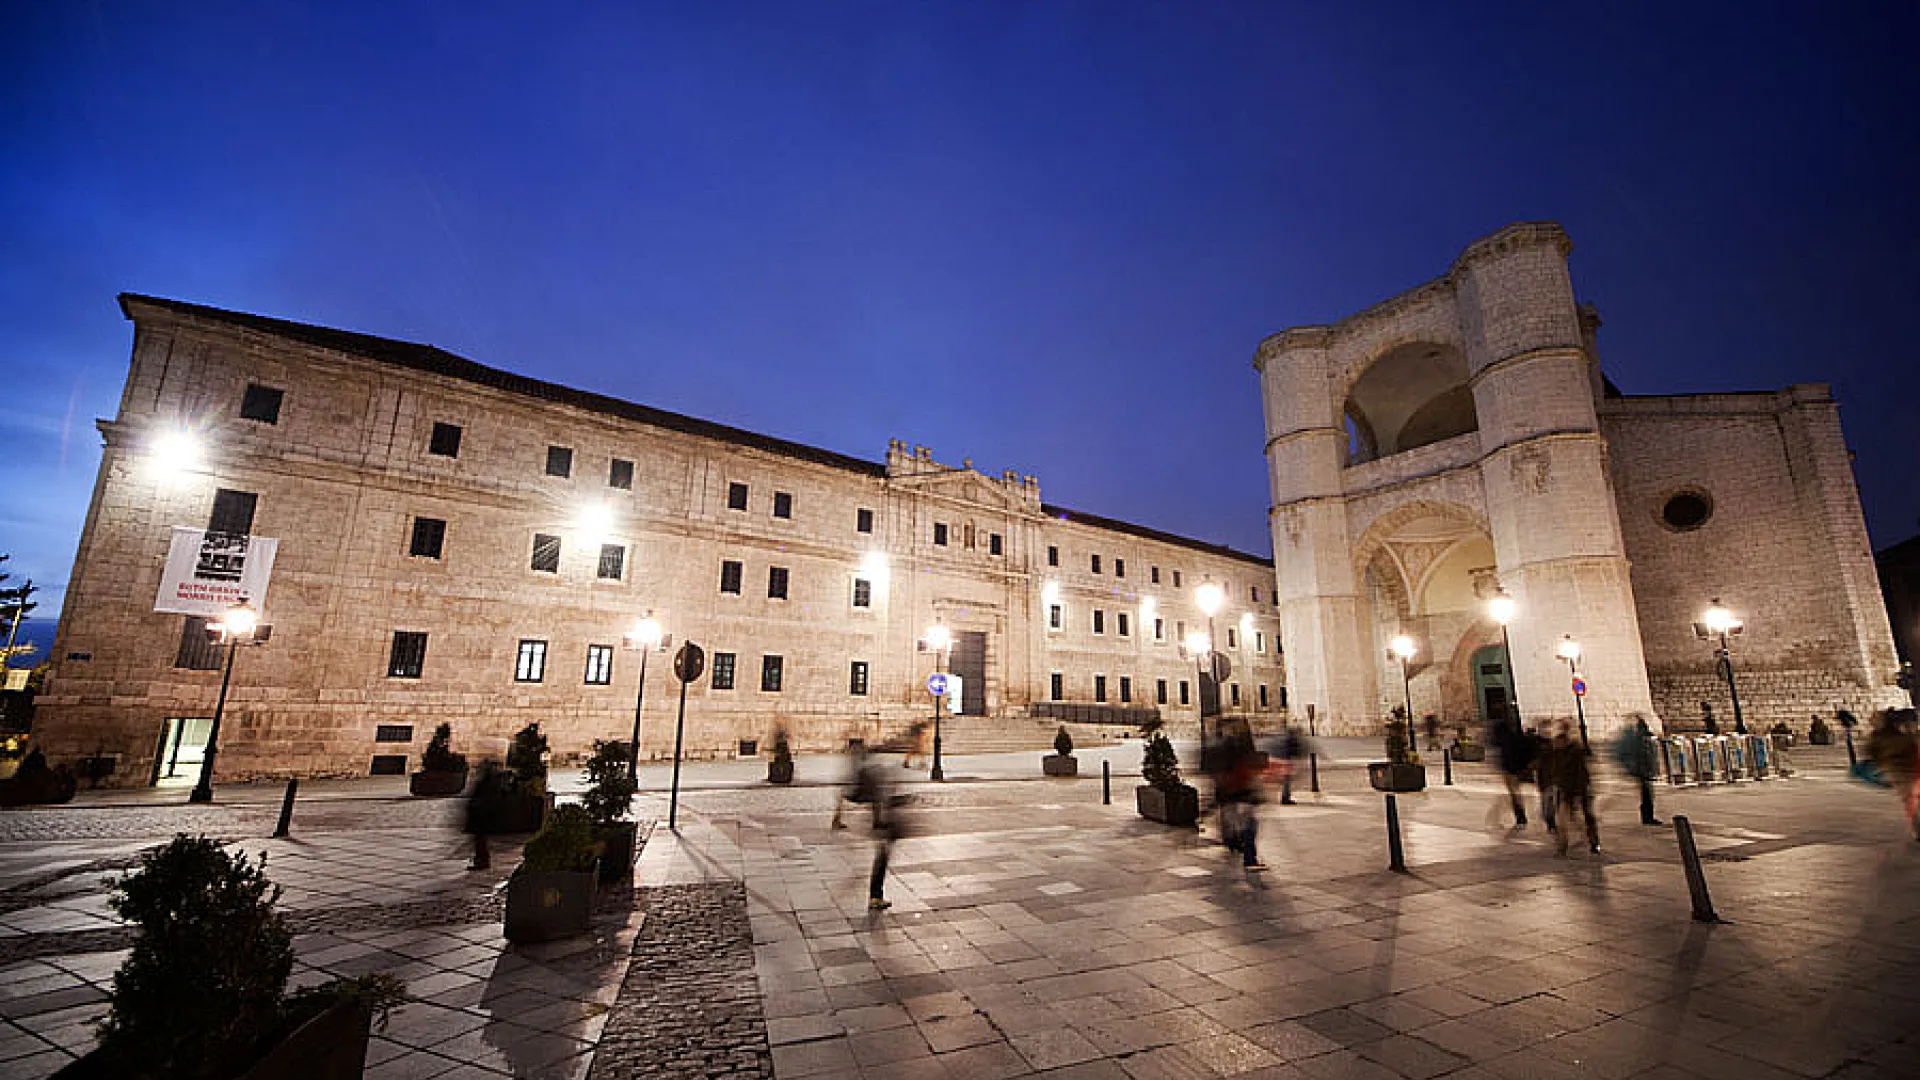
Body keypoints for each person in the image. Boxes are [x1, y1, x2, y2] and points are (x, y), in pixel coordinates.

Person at [1212, 718, 1266, 872]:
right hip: (1240, 792)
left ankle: (1234, 844)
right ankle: (1249, 859)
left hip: (1230, 793)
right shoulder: (1239, 745)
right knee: (1249, 825)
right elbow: (1248, 766)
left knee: (1238, 822)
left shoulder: (1222, 745)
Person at [1864, 708, 1920, 841]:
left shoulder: (1891, 735)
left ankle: (1917, 829)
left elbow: (1873, 754)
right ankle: (1917, 829)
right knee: (1910, 800)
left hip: (1903, 771)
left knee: (1910, 800)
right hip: (1900, 772)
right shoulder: (1885, 736)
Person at [1548, 725, 1600, 855]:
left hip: (1580, 790)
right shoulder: (1557, 753)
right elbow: (1555, 771)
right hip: (1564, 791)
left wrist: (1578, 793)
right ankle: (1562, 847)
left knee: (1587, 816)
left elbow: (1582, 774)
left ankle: (1593, 841)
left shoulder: (1576, 752)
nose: (1556, 745)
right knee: (1562, 819)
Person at [1615, 715, 1662, 825]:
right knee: (1647, 795)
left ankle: (1647, 817)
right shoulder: (1640, 740)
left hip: (1644, 771)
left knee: (1647, 795)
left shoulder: (1641, 739)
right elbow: (1647, 756)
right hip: (1644, 771)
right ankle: (1647, 817)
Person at [1492, 718, 1534, 827]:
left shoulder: (1505, 740)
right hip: (1517, 768)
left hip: (1511, 769)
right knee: (1515, 793)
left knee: (1515, 794)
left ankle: (1521, 817)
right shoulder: (1517, 737)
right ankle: (1521, 816)